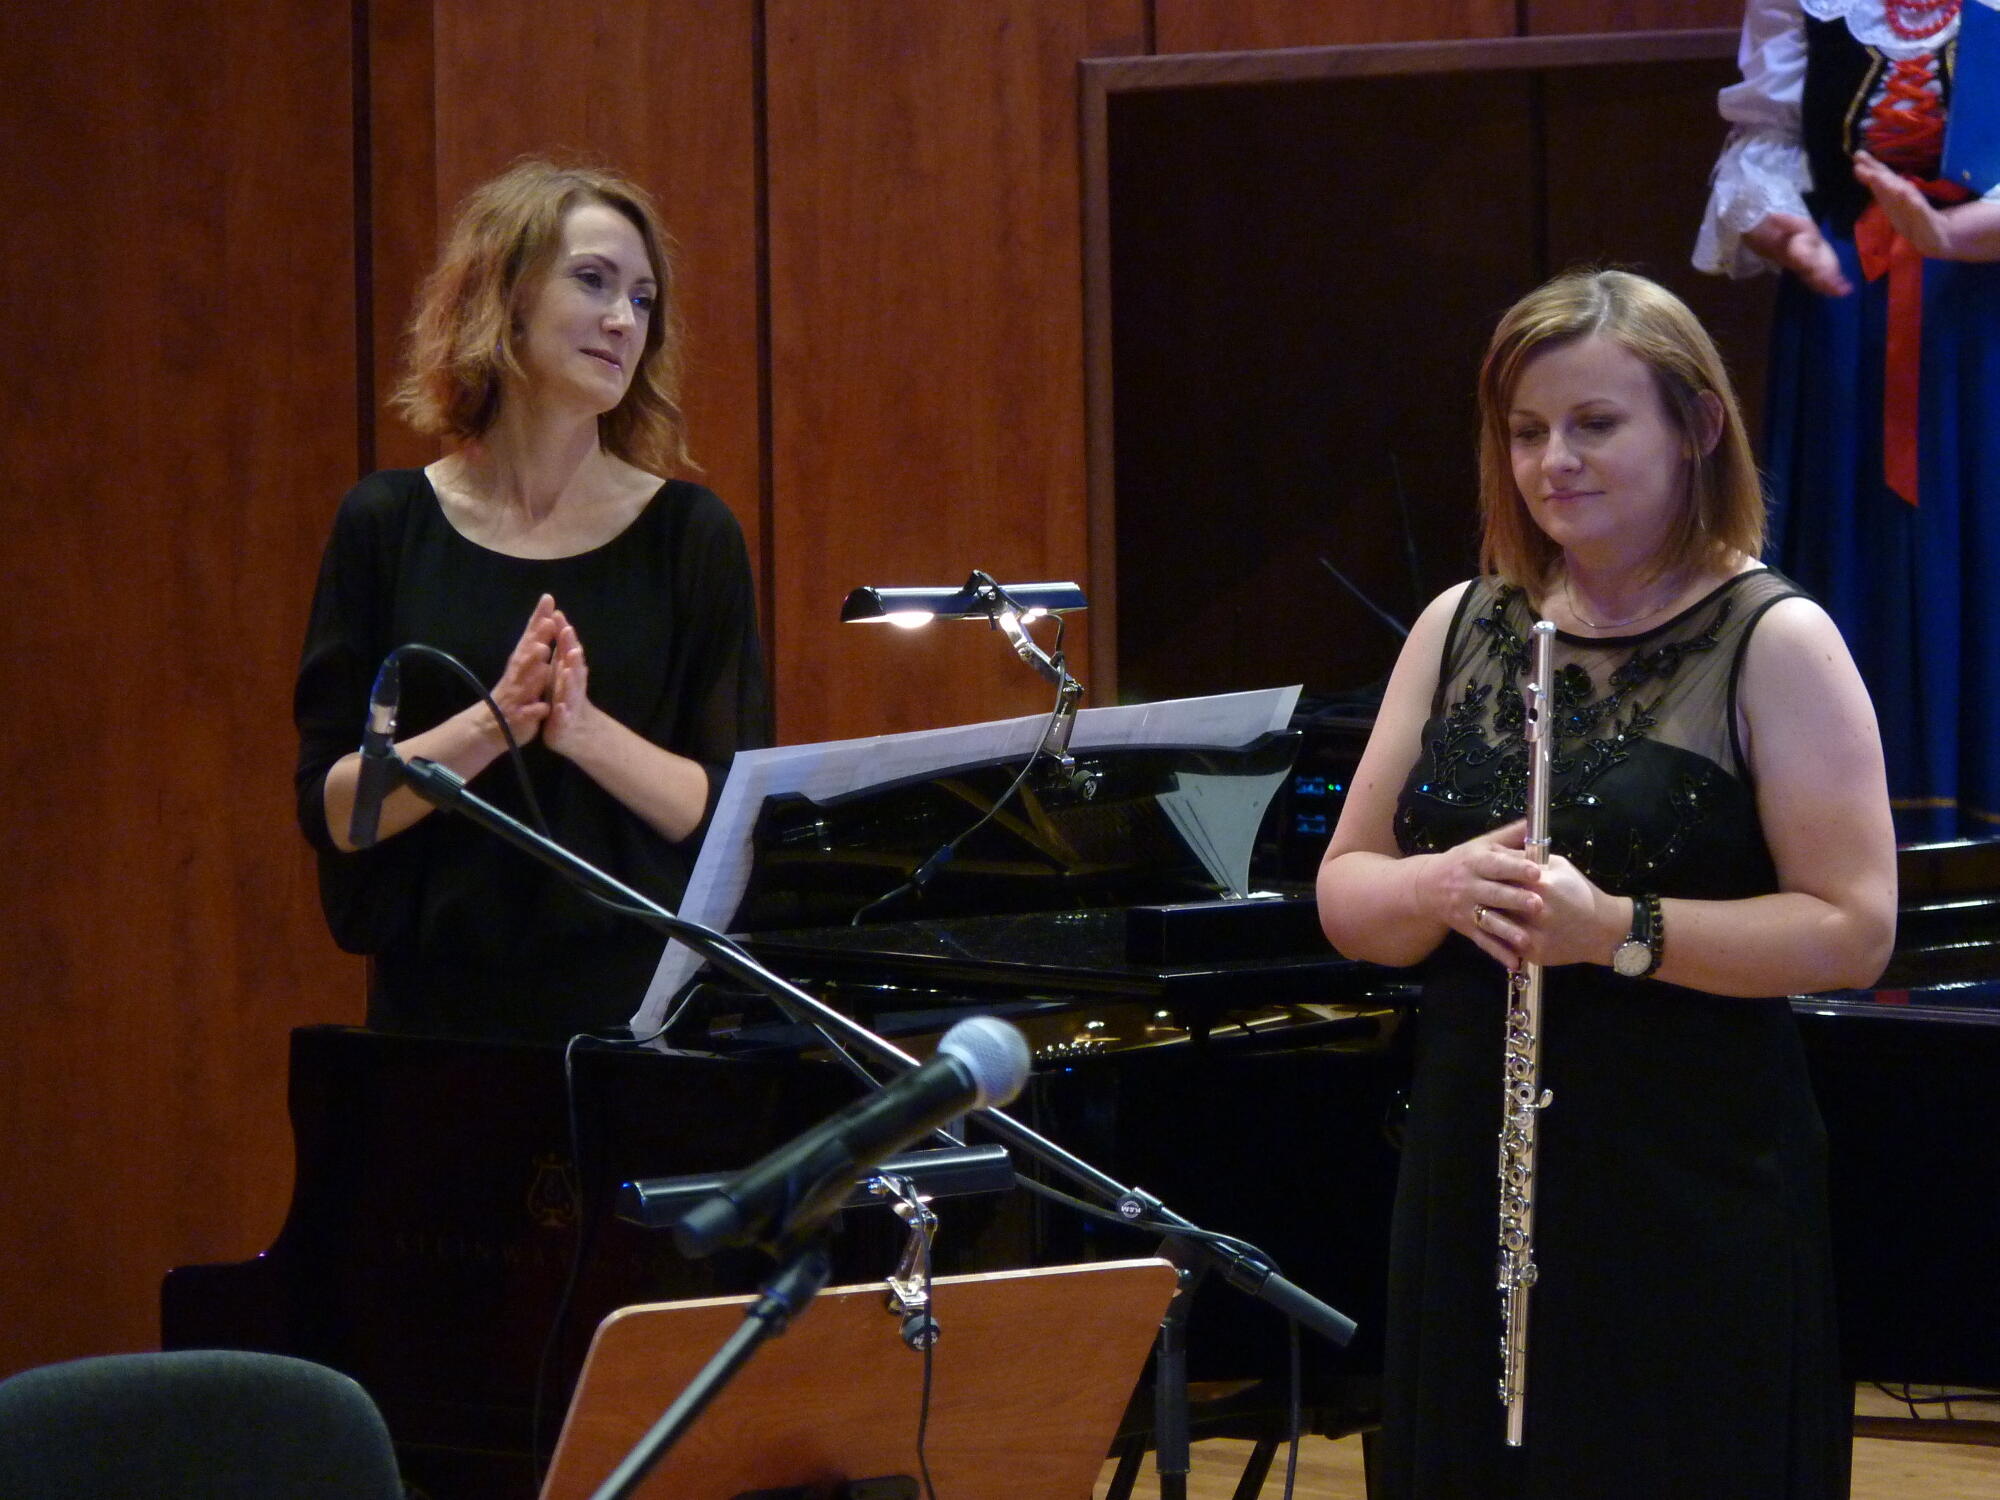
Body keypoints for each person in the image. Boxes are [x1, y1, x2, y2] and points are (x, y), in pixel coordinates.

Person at [1316, 269, 1896, 1497]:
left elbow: (1852, 930)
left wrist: (1615, 930)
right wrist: (1439, 888)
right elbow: (1348, 894)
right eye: (1525, 431)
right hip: (1472, 1166)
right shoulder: (1458, 625)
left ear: (1695, 427)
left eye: (1593, 424)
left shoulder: (1772, 639)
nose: (1552, 462)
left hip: (1687, 1182)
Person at [294, 160, 770, 1042]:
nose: (624, 319)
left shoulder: (690, 535)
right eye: (592, 281)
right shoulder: (385, 524)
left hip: (640, 1027)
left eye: (643, 299)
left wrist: (582, 731)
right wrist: (493, 724)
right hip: (435, 1027)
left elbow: (727, 816)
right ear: (507, 298)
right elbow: (336, 811)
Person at [1696, 0, 2000, 840]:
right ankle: (1835, 837)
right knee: (1849, 540)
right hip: (1847, 317)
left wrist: (1951, 233)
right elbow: (1765, 142)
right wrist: (1783, 232)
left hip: (1983, 319)